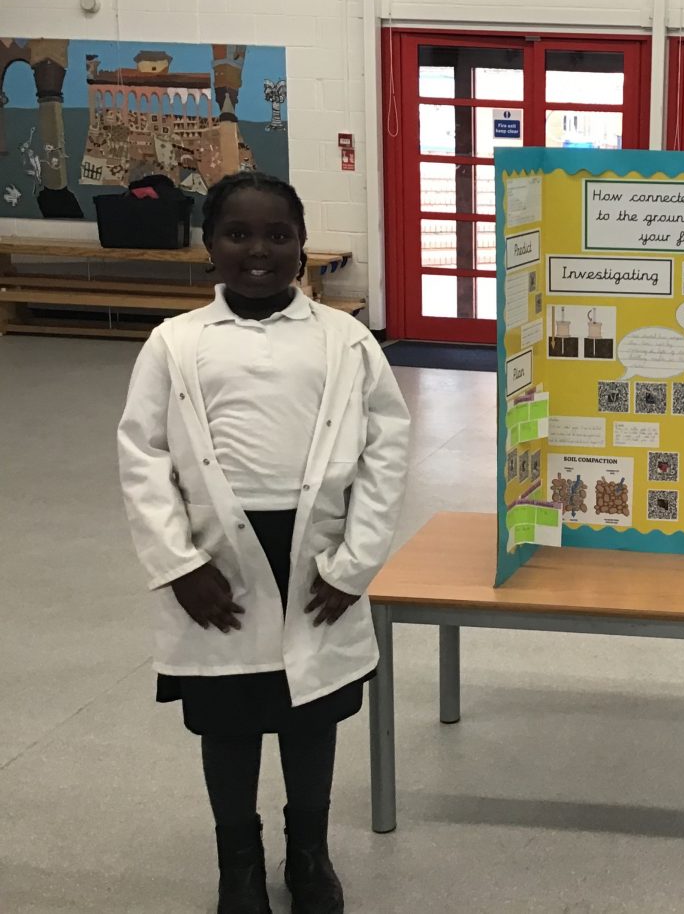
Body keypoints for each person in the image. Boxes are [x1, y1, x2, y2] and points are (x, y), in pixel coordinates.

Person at [117, 171, 411, 914]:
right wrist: (179, 565)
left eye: (278, 235)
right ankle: (238, 864)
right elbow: (143, 456)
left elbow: (386, 452)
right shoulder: (175, 343)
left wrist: (354, 565)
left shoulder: (345, 340)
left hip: (316, 560)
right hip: (216, 564)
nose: (258, 250)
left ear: (302, 245)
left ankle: (308, 853)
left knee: (311, 714)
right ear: (208, 245)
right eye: (238, 234)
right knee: (229, 718)